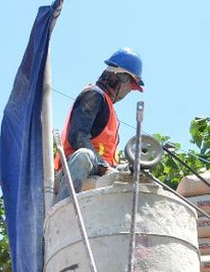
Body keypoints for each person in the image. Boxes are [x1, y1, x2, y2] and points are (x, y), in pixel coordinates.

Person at [56, 47, 144, 199]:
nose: (127, 93)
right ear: (120, 79)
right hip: (75, 166)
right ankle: (63, 206)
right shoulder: (93, 95)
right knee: (85, 155)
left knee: (135, 172)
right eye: (129, 87)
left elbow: (108, 157)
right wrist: (104, 166)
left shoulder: (109, 108)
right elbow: (78, 136)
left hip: (100, 166)